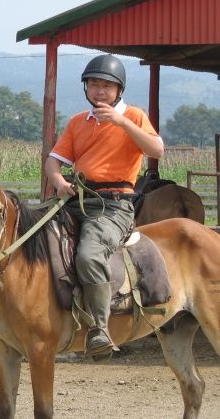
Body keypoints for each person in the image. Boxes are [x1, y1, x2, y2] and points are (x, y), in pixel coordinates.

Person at [44, 54, 164, 357]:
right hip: (76, 199)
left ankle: (99, 329)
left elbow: (157, 150)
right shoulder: (77, 122)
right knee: (31, 237)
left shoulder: (134, 116)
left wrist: (122, 122)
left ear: (118, 90)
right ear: (86, 88)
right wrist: (59, 183)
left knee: (88, 254)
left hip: (114, 205)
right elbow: (53, 161)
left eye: (106, 86)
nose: (99, 91)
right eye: (94, 85)